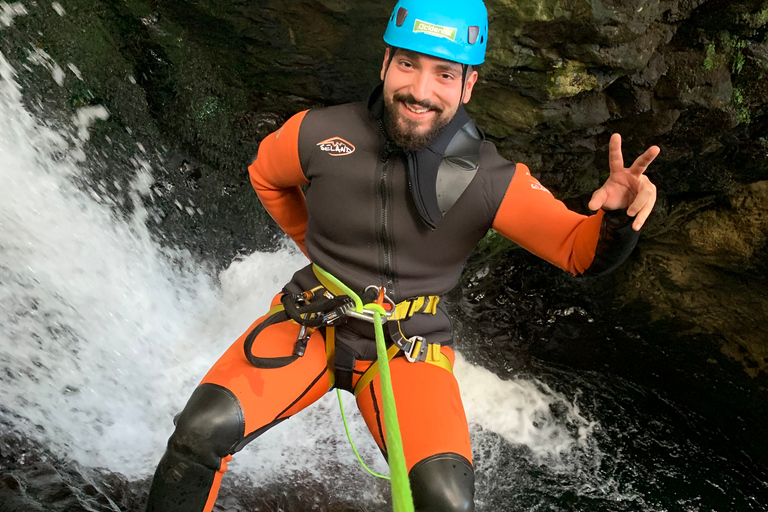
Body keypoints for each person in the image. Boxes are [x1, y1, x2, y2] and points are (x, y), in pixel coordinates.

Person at [145, 0, 658, 510]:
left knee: (445, 499)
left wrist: (616, 217)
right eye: (408, 63)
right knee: (197, 435)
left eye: (444, 74)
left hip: (405, 345)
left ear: (468, 85)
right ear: (385, 63)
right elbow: (266, 176)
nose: (420, 90)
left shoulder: (491, 179)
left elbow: (578, 252)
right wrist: (314, 250)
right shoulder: (317, 134)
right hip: (313, 318)